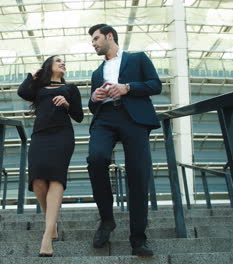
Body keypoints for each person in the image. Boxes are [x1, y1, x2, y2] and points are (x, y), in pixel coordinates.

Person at [86, 24, 162, 256]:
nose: (93, 43)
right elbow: (91, 107)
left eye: (96, 38)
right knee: (96, 158)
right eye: (92, 40)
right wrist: (94, 96)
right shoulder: (97, 73)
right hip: (105, 119)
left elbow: (155, 85)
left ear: (110, 36)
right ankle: (107, 220)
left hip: (134, 119)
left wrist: (127, 87)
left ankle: (138, 239)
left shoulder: (137, 58)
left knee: (138, 175)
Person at [17, 55, 84, 257]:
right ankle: (51, 222)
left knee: (56, 179)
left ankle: (47, 236)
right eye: (58, 61)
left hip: (62, 136)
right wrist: (34, 75)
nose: (63, 63)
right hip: (40, 136)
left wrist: (67, 104)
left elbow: (79, 116)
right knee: (37, 181)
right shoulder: (38, 89)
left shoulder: (70, 89)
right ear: (49, 66)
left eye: (64, 61)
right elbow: (22, 91)